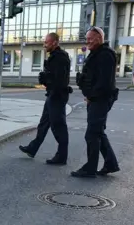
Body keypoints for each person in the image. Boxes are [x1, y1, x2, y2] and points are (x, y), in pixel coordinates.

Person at [72, 26, 120, 178]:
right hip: (95, 99)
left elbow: (103, 82)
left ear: (99, 38)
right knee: (98, 132)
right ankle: (110, 163)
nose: (88, 42)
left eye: (90, 39)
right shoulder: (96, 53)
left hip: (100, 100)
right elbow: (92, 77)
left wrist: (91, 95)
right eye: (87, 39)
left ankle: (90, 168)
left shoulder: (105, 55)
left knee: (92, 134)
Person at [19, 32, 71, 165]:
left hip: (57, 96)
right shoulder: (55, 56)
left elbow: (59, 80)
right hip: (52, 95)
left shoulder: (60, 57)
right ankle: (33, 148)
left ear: (54, 43)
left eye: (47, 43)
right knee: (43, 124)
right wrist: (46, 78)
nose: (44, 45)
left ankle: (62, 156)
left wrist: (46, 79)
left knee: (58, 126)